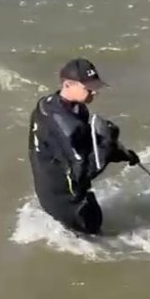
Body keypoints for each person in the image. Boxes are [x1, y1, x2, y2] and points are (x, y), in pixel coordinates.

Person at [27, 58, 141, 235]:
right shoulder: (66, 126)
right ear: (67, 85)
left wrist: (122, 154)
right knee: (95, 229)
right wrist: (108, 145)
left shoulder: (52, 105)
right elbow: (82, 173)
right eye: (88, 88)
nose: (94, 92)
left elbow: (85, 143)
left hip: (51, 184)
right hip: (64, 200)